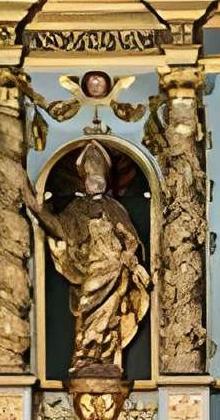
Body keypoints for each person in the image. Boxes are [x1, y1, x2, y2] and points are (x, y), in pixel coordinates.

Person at [21, 141, 150, 377]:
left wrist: (129, 254)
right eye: (91, 179)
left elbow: (130, 238)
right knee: (87, 307)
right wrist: (40, 211)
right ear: (85, 181)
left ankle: (104, 355)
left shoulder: (114, 208)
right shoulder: (77, 207)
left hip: (115, 270)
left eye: (99, 179)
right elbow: (60, 228)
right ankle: (85, 354)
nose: (95, 183)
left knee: (110, 314)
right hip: (93, 270)